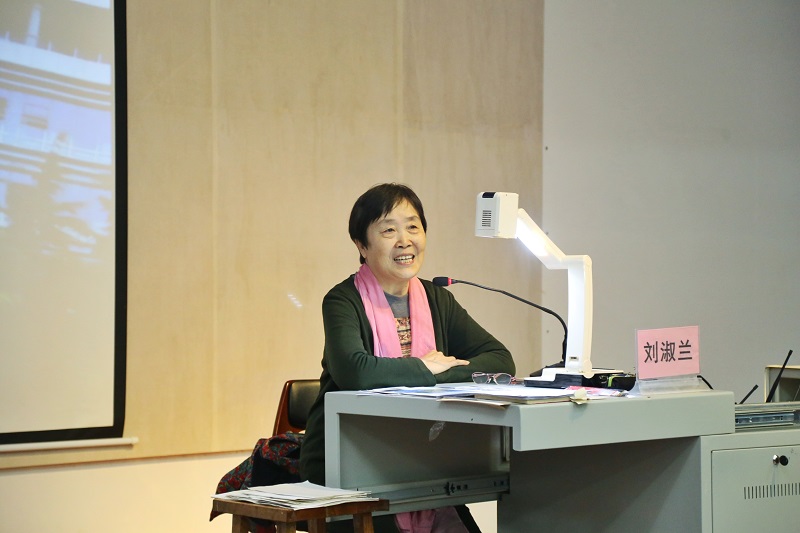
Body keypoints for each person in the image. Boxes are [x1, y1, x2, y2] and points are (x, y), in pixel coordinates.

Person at [298, 183, 516, 533]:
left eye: (413, 227)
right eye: (388, 230)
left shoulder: (437, 299)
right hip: (346, 462)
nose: (405, 240)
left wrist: (437, 373)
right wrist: (426, 367)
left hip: (421, 462)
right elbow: (356, 372)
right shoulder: (342, 300)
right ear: (361, 245)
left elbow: (500, 361)